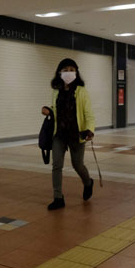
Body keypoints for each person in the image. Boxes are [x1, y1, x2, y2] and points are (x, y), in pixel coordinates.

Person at [42, 58, 95, 210]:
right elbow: (55, 108)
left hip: (77, 134)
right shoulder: (56, 91)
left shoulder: (82, 92)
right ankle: (58, 198)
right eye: (66, 70)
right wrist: (48, 109)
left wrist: (90, 129)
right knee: (57, 165)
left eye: (72, 70)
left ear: (77, 73)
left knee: (77, 164)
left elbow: (89, 114)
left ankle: (88, 182)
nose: (69, 73)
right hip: (59, 134)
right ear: (59, 72)